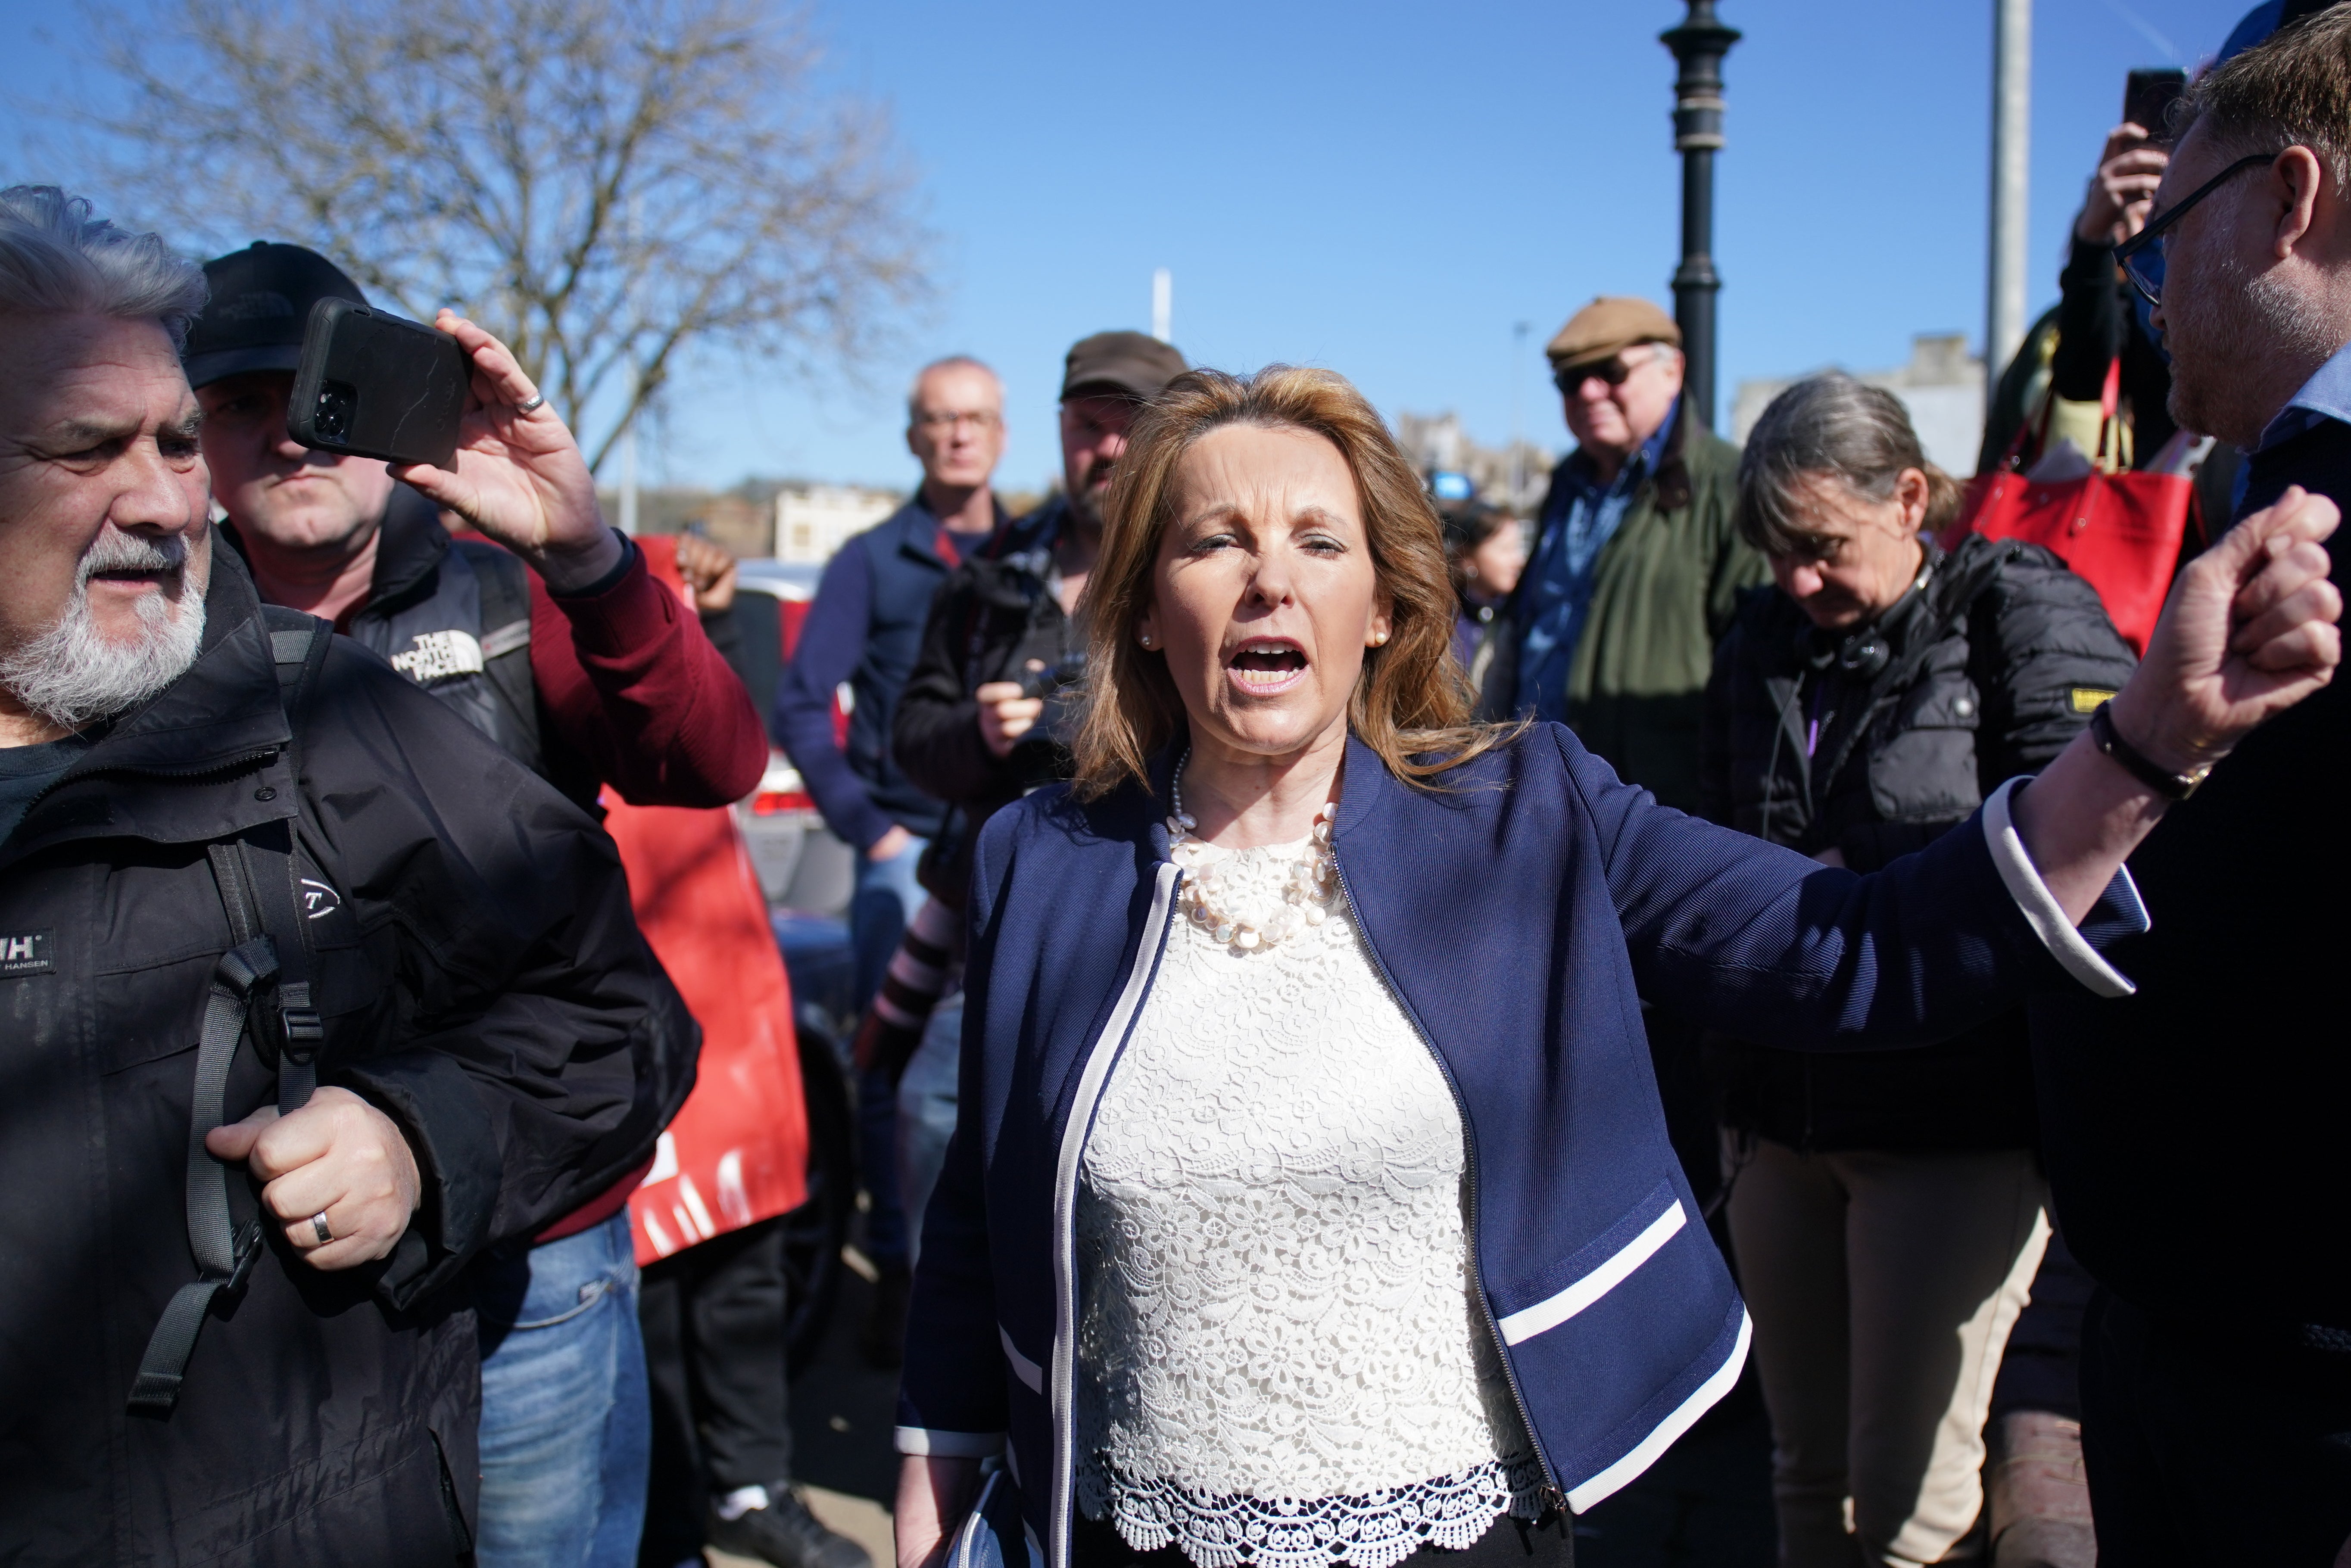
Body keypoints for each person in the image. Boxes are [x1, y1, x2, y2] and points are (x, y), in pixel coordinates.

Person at [889, 364, 2338, 1568]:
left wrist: (2149, 741)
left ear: (1383, 606)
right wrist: (931, 1483)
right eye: (1215, 542)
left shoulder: (1530, 812)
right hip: (1129, 1528)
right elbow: (978, 1210)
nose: (1270, 579)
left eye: (1318, 544)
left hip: (1461, 1536)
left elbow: (1854, 948)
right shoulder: (1043, 858)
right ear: (1147, 606)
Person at [0, 186, 693, 1564]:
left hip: (515, 1301)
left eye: (175, 442)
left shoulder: (360, 681)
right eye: (88, 448)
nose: (162, 495)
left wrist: (415, 1138)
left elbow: (679, 827)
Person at [181, 242, 767, 1568]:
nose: (288, 434)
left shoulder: (506, 586)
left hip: (534, 1246)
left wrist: (591, 554)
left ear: (388, 402)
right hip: (266, 1254)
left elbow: (715, 761)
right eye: (238, 405)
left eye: (321, 391)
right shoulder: (151, 623)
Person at [1698, 374, 2138, 1568]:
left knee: (1910, 1509)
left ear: (1908, 496)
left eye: (1821, 547)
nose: (1796, 580)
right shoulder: (1761, 641)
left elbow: (2101, 825)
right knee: (1805, 1473)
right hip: (1779, 1120)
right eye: (1777, 552)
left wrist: (1873, 869)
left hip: (1952, 1127)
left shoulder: (2017, 608)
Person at [2045, 18, 2351, 1560]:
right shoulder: (2237, 478)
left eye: (2172, 229)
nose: (2153, 279)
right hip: (2177, 1323)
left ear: (2290, 199)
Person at [871, 331, 1190, 1287]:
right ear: (1058, 432)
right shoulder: (994, 570)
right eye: (1090, 427)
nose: (1108, 450)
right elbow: (912, 733)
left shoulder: (1209, 559)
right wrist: (975, 733)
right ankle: (951, 1339)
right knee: (937, 1123)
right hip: (994, 921)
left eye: (1132, 428)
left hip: (1157, 932)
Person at [772, 354, 1011, 1357]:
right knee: (886, 1065)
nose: (956, 435)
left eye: (974, 419)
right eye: (936, 420)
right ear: (913, 436)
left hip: (1011, 849)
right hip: (904, 850)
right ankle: (896, 1266)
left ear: (1002, 433)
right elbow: (800, 704)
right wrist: (871, 829)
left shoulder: (1037, 555)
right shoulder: (868, 562)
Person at [1482, 295, 1768, 815]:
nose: (1589, 391)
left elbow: (1756, 678)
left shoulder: (1729, 485)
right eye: (1571, 380)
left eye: (1610, 371)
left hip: (1653, 812)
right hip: (1531, 795)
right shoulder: (1564, 484)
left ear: (1672, 370)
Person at [1442, 499, 1523, 684]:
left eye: (1518, 548)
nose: (1518, 560)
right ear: (1469, 557)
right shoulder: (1446, 620)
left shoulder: (1520, 616)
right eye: (1505, 550)